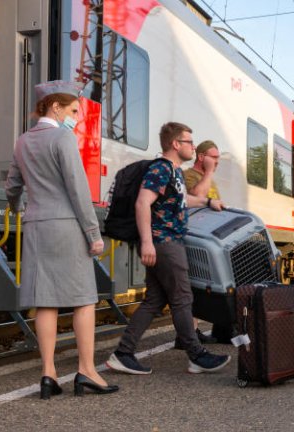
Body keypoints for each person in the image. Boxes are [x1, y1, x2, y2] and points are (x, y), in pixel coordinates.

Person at [5, 80, 118, 399]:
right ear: (54, 107)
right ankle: (86, 371)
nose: (76, 117)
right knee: (83, 298)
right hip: (68, 227)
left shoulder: (23, 141)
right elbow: (77, 189)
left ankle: (48, 374)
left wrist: (20, 208)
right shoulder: (63, 137)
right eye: (72, 110)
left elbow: (13, 186)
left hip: (37, 227)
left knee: (46, 300)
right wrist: (93, 233)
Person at [106, 122, 231, 375]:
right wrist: (148, 242)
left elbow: (183, 199)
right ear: (176, 144)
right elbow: (143, 203)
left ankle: (123, 353)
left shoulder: (173, 172)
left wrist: (208, 201)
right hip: (164, 242)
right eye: (189, 142)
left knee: (154, 300)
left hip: (166, 241)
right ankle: (196, 355)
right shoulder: (161, 168)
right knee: (183, 298)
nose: (193, 147)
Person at [180, 140, 222, 346]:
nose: (217, 161)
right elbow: (196, 196)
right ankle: (188, 333)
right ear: (201, 157)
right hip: (193, 237)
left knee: (199, 287)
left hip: (207, 239)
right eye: (214, 157)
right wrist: (208, 172)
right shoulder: (189, 175)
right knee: (191, 287)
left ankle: (193, 331)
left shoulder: (210, 179)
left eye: (218, 157)